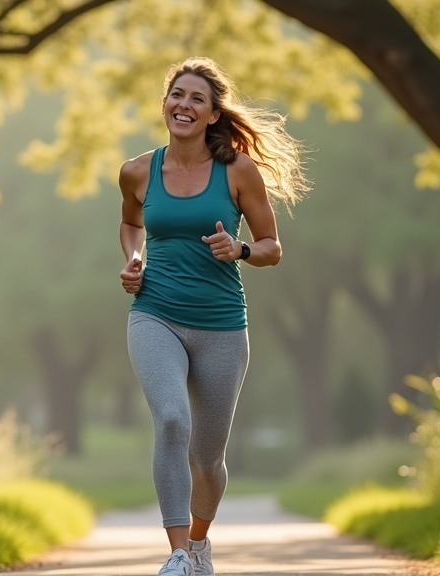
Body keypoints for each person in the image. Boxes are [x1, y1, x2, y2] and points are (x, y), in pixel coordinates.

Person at [118, 56, 308, 576]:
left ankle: (200, 544)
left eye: (196, 98)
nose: (184, 104)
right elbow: (130, 224)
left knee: (207, 459)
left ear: (211, 114)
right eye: (177, 95)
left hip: (222, 324)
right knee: (172, 421)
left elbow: (273, 247)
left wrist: (241, 250)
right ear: (164, 104)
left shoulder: (237, 172)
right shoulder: (137, 170)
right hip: (154, 312)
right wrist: (133, 260)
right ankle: (177, 554)